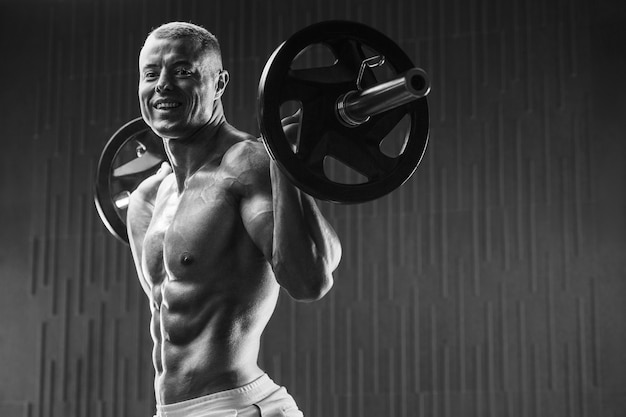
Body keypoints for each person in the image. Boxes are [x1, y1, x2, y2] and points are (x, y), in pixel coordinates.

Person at [126, 21, 342, 417]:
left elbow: (311, 280)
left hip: (238, 407)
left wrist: (282, 160)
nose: (163, 86)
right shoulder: (146, 200)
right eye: (151, 74)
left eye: (183, 72)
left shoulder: (246, 166)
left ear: (219, 83)